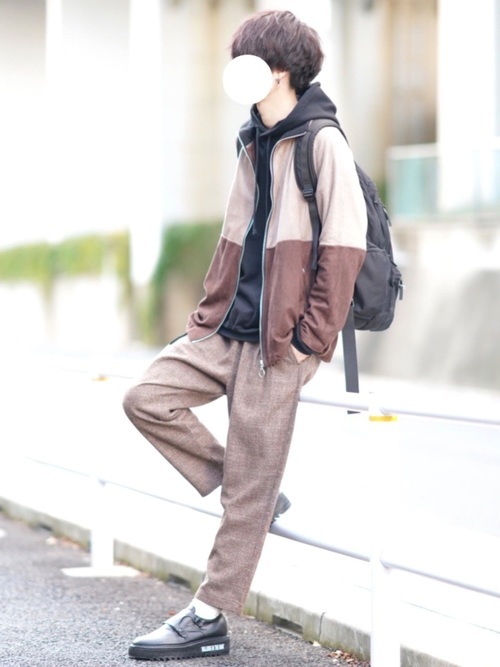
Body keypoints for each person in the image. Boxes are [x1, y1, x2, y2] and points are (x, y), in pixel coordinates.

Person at [123, 9, 367, 661]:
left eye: (247, 59)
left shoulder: (322, 143)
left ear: (278, 70)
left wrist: (309, 340)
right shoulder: (252, 141)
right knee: (146, 397)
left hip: (279, 344)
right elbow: (233, 239)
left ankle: (209, 616)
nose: (236, 69)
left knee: (248, 491)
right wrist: (206, 314)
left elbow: (345, 248)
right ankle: (250, 490)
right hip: (228, 328)